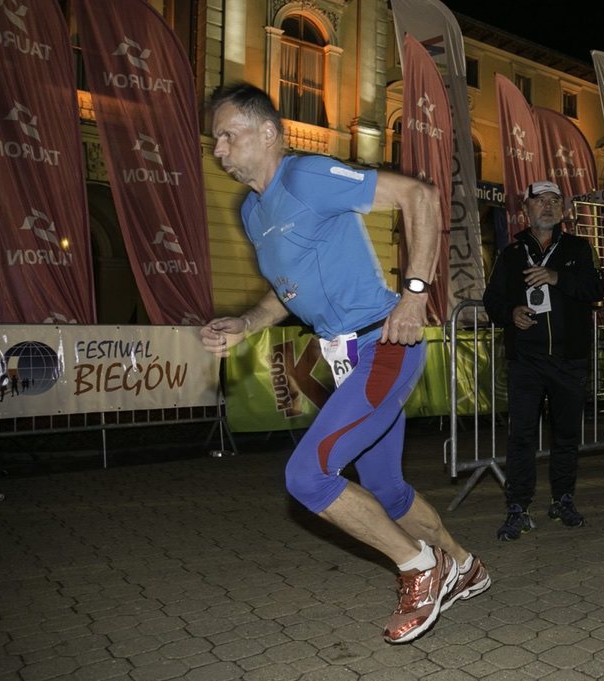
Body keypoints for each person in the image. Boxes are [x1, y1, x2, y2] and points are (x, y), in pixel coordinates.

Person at [201, 83, 489, 644]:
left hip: (384, 343)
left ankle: (420, 568)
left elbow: (419, 196)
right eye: (215, 139)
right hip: (345, 357)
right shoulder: (253, 211)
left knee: (307, 477)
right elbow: (287, 291)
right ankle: (463, 565)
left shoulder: (305, 176)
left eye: (229, 135)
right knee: (385, 489)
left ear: (269, 133)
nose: (219, 149)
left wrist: (414, 295)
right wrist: (245, 323)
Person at [483, 180, 604, 541]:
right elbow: (492, 300)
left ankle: (562, 499)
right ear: (526, 210)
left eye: (555, 201)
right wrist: (511, 313)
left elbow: (596, 289)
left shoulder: (580, 248)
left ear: (563, 210)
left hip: (570, 359)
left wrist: (556, 277)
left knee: (566, 436)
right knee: (521, 436)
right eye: (540, 201)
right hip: (526, 360)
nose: (548, 207)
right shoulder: (511, 253)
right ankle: (517, 507)